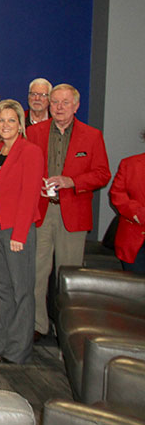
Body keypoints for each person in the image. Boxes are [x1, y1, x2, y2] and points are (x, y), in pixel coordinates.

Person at [26, 84, 111, 338]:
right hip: (42, 212)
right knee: (36, 274)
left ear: (76, 106)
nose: (59, 108)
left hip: (73, 213)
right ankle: (37, 326)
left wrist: (72, 182)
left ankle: (68, 333)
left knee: (69, 278)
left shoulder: (92, 135)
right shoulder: (33, 133)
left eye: (65, 103)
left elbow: (102, 174)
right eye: (55, 103)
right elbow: (23, 170)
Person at [0, 99, 45, 364]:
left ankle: (18, 349)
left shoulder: (30, 151)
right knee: (1, 287)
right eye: (1, 120)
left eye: (11, 121)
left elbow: (30, 196)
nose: (5, 125)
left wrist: (20, 234)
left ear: (20, 125)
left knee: (21, 290)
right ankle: (1, 342)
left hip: (16, 229)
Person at [109, 131, 145, 274]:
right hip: (134, 242)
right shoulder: (129, 164)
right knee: (136, 292)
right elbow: (117, 193)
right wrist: (136, 212)